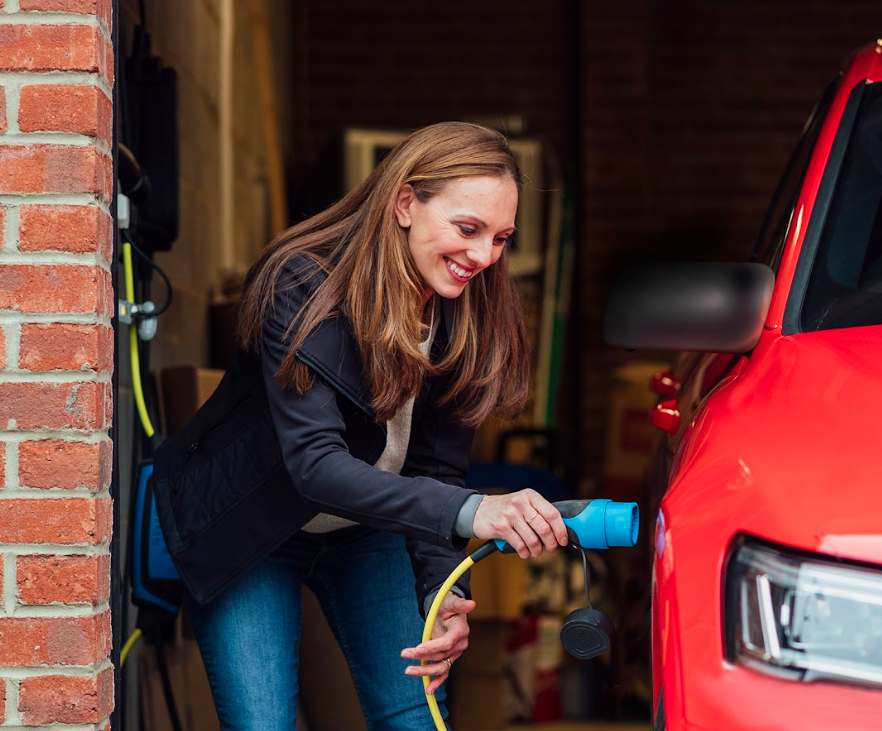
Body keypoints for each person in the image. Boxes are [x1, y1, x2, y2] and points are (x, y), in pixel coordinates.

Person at [152, 121, 569, 730]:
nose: (484, 257)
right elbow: (316, 467)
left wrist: (442, 590)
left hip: (365, 531)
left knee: (414, 718)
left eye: (501, 237)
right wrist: (473, 510)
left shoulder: (467, 310)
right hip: (252, 527)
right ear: (405, 203)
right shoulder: (303, 284)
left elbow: (436, 468)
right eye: (468, 229)